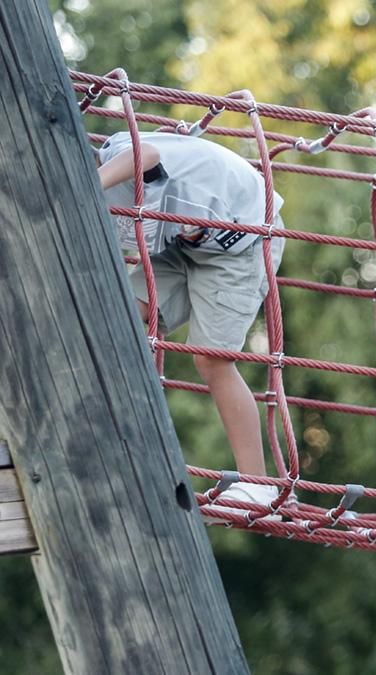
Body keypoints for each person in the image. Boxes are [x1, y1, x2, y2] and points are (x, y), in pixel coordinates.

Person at [96, 131, 285, 514]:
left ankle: (259, 486)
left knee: (212, 360)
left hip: (244, 241)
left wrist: (86, 187)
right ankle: (129, 444)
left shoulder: (108, 166)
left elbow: (145, 153)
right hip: (185, 242)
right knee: (126, 318)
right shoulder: (99, 197)